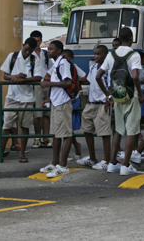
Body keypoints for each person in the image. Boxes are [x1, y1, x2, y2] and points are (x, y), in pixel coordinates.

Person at [97, 27, 144, 176]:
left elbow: (98, 76)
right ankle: (125, 165)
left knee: (118, 129)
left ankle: (112, 163)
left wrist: (107, 94)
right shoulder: (134, 55)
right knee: (132, 131)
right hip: (132, 96)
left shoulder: (111, 55)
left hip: (117, 95)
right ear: (131, 39)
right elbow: (135, 76)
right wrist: (140, 93)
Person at [0, 37, 40, 163]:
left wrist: (24, 80)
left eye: (30, 51)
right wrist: (14, 77)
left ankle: (22, 153)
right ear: (23, 45)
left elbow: (38, 77)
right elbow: (5, 75)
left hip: (27, 97)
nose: (27, 53)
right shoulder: (13, 56)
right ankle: (0, 153)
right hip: (12, 96)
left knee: (25, 126)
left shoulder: (35, 59)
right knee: (7, 125)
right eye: (26, 49)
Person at [38, 40, 75, 178]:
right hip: (56, 102)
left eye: (51, 49)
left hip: (63, 102)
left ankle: (63, 165)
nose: (49, 51)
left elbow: (68, 82)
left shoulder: (63, 63)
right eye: (48, 49)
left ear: (59, 50)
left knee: (65, 134)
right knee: (56, 133)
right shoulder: (56, 64)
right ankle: (55, 162)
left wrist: (48, 83)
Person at [76, 45, 112, 169]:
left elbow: (110, 87)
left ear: (105, 55)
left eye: (99, 54)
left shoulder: (107, 69)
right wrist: (87, 102)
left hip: (102, 104)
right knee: (87, 130)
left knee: (104, 133)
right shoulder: (92, 67)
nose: (96, 56)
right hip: (91, 103)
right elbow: (91, 85)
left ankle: (106, 161)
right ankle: (92, 158)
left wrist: (107, 102)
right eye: (95, 54)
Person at [30, 31, 52, 149]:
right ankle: (37, 138)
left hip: (46, 84)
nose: (36, 43)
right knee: (38, 113)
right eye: (34, 41)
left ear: (41, 41)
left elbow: (50, 69)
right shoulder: (29, 55)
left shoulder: (45, 54)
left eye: (38, 41)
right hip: (36, 85)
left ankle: (46, 138)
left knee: (46, 113)